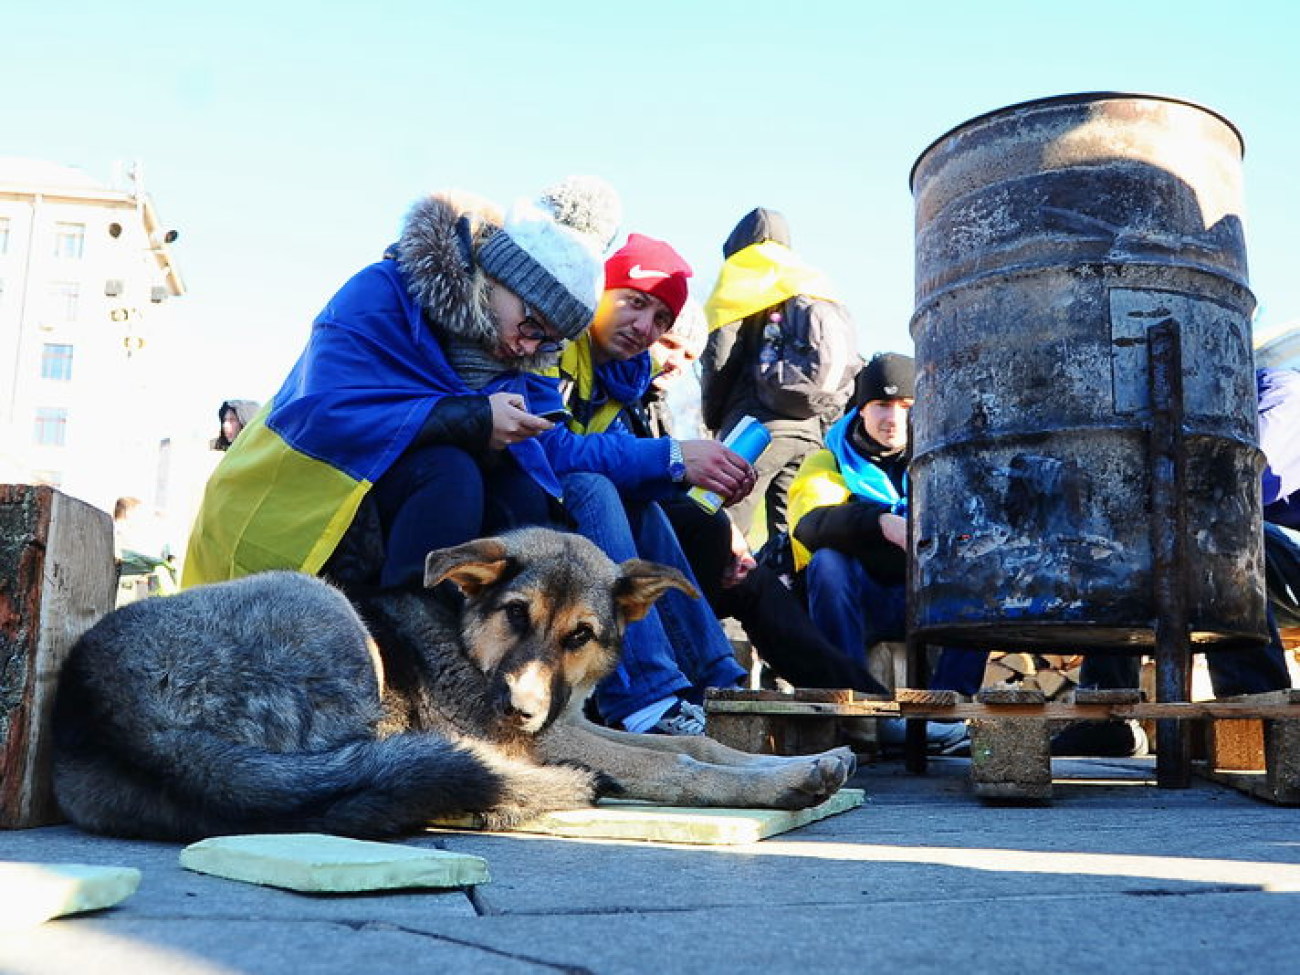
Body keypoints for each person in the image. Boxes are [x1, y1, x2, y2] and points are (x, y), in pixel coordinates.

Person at [183, 177, 619, 589]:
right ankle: (412, 647)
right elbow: (325, 413)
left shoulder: (505, 352)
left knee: (520, 497)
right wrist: (476, 418)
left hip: (378, 502)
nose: (530, 348)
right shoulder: (379, 290)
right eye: (532, 324)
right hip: (289, 501)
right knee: (451, 473)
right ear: (499, 277)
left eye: (549, 342)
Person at [545, 233, 755, 734]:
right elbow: (549, 452)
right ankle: (642, 699)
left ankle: (717, 685)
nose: (645, 327)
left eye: (661, 318)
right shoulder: (555, 341)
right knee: (593, 487)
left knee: (649, 507)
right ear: (598, 291)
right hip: (510, 495)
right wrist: (676, 457)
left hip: (562, 504)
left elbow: (623, 459)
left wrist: (700, 476)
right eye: (634, 303)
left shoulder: (621, 376)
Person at [631, 306, 892, 696]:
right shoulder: (617, 393)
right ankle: (694, 683)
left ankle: (861, 702)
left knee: (755, 581)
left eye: (688, 356)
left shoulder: (654, 405)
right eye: (667, 345)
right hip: (619, 547)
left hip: (663, 542)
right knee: (712, 526)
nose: (676, 363)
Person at [1053, 365, 1298, 757]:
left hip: (1281, 544)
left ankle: (1258, 712)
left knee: (1216, 526)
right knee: (1130, 543)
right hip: (1252, 542)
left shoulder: (1281, 394)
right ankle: (1105, 715)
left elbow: (1241, 483)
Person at [788, 352, 987, 750]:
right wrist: (880, 522)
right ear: (862, 410)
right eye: (881, 404)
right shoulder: (829, 461)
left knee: (981, 565)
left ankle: (947, 711)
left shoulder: (943, 459)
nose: (892, 418)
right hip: (863, 603)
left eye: (906, 406)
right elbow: (809, 525)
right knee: (828, 563)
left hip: (930, 599)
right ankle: (853, 714)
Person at [700, 207, 859, 543]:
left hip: (753, 430)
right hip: (810, 433)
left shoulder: (742, 275)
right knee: (792, 536)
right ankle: (788, 593)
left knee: (721, 526)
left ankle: (714, 597)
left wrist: (714, 418)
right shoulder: (811, 283)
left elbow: (720, 358)